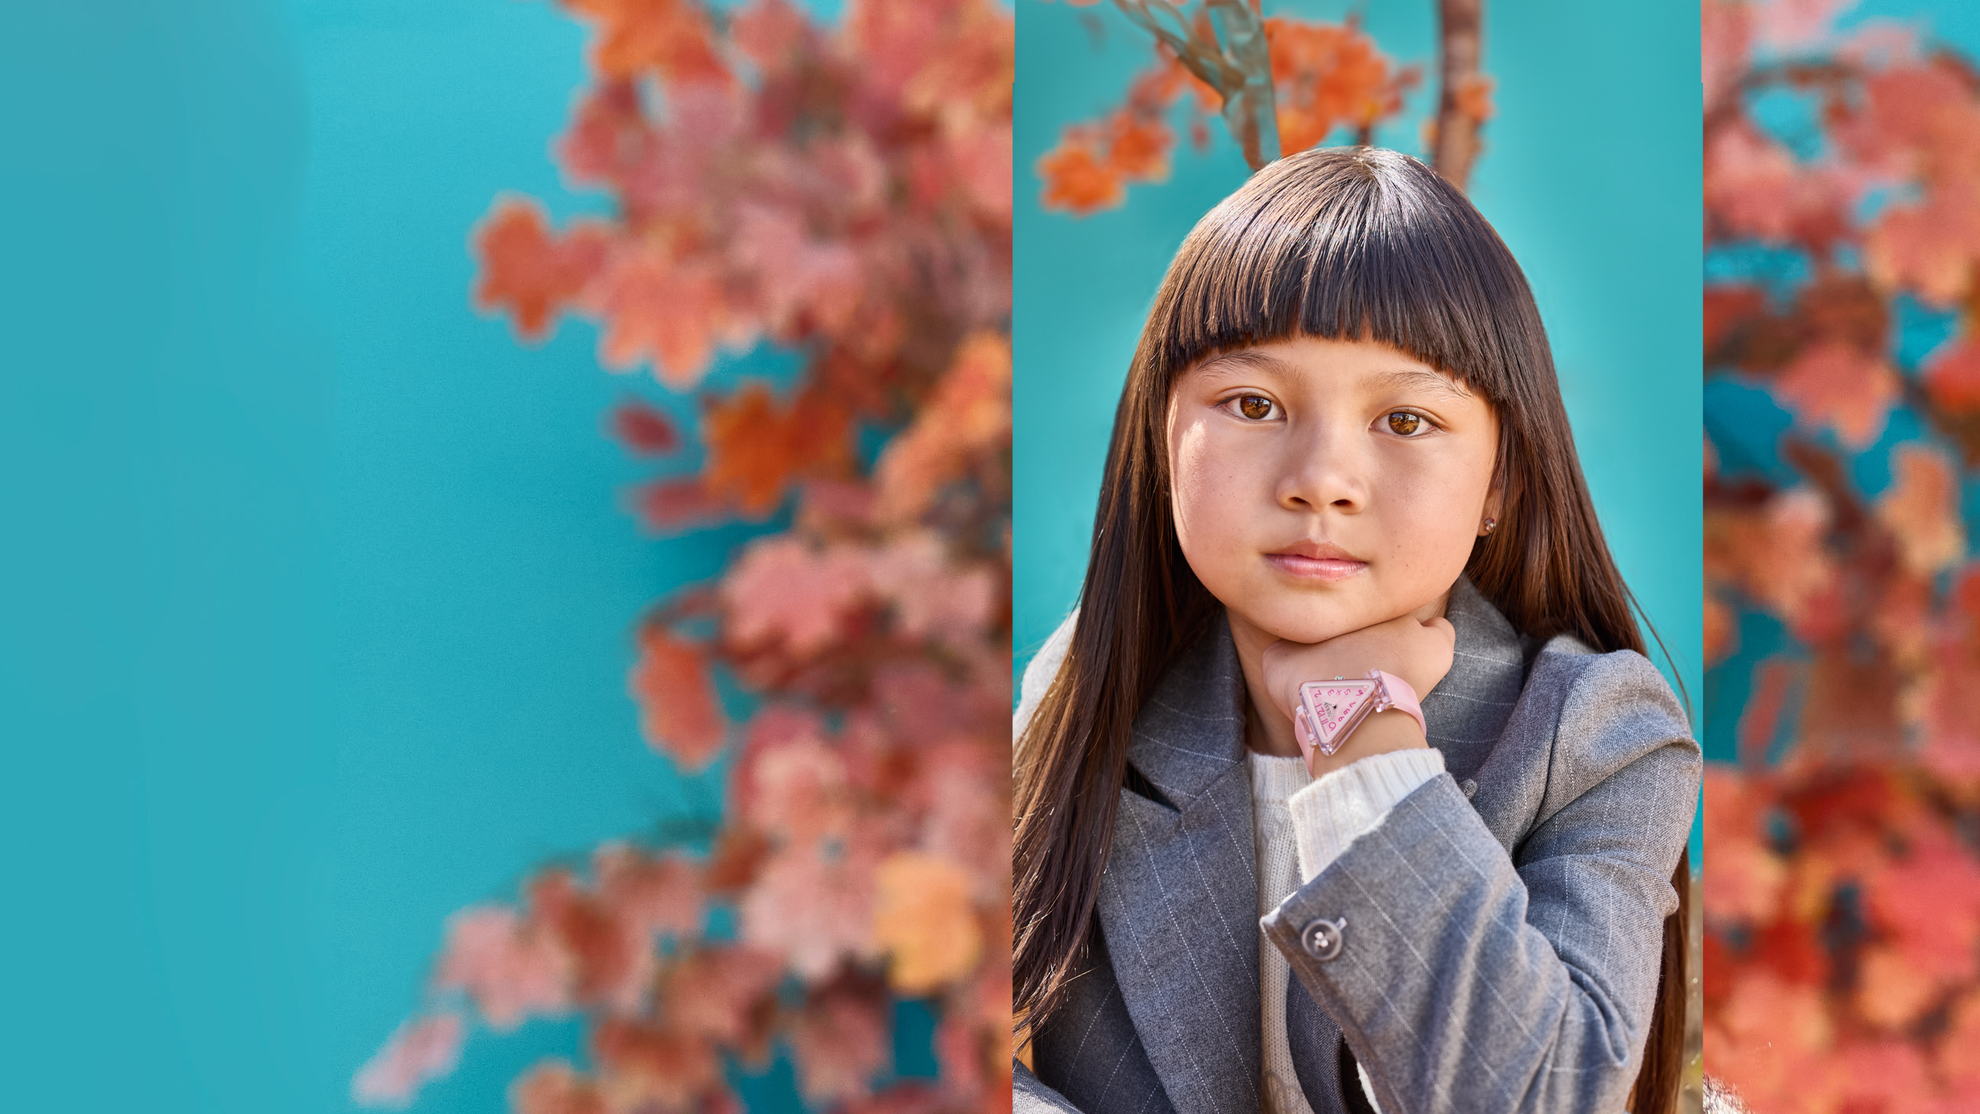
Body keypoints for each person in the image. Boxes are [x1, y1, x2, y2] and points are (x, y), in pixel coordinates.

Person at [1010, 146, 1701, 1114]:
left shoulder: (1599, 739)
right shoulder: (1090, 686)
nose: (1322, 478)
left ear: (1498, 482)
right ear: (1162, 439)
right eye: (1252, 404)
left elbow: (1540, 1097)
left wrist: (1365, 736)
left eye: (1407, 419)